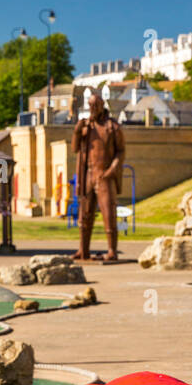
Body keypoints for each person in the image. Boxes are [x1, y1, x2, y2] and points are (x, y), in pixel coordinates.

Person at [71, 92, 125, 264]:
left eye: (95, 106)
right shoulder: (87, 127)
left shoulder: (113, 127)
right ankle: (83, 250)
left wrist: (113, 169)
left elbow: (121, 151)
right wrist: (77, 132)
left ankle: (111, 251)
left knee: (108, 213)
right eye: (90, 106)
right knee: (84, 215)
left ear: (102, 106)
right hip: (88, 174)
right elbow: (75, 149)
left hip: (104, 175)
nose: (92, 109)